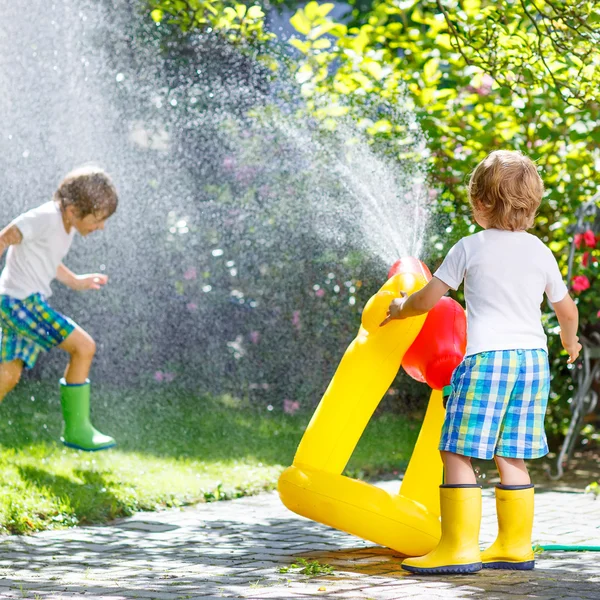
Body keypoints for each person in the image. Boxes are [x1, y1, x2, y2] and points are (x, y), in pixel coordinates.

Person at [382, 150, 581, 574]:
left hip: (488, 358)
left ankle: (458, 548)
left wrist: (399, 307)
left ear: (481, 203)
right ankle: (514, 545)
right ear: (531, 205)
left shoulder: (469, 247)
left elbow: (427, 300)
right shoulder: (541, 252)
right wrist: (571, 342)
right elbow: (567, 311)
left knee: (456, 448)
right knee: (512, 453)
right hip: (533, 362)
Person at [0, 166, 118, 451]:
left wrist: (75, 280)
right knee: (83, 346)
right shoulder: (45, 218)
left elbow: (47, 259)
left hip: (21, 302)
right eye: (98, 219)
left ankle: (77, 430)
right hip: (20, 303)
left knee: (9, 374)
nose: (101, 226)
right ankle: (77, 430)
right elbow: (5, 237)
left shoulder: (64, 225)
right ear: (74, 210)